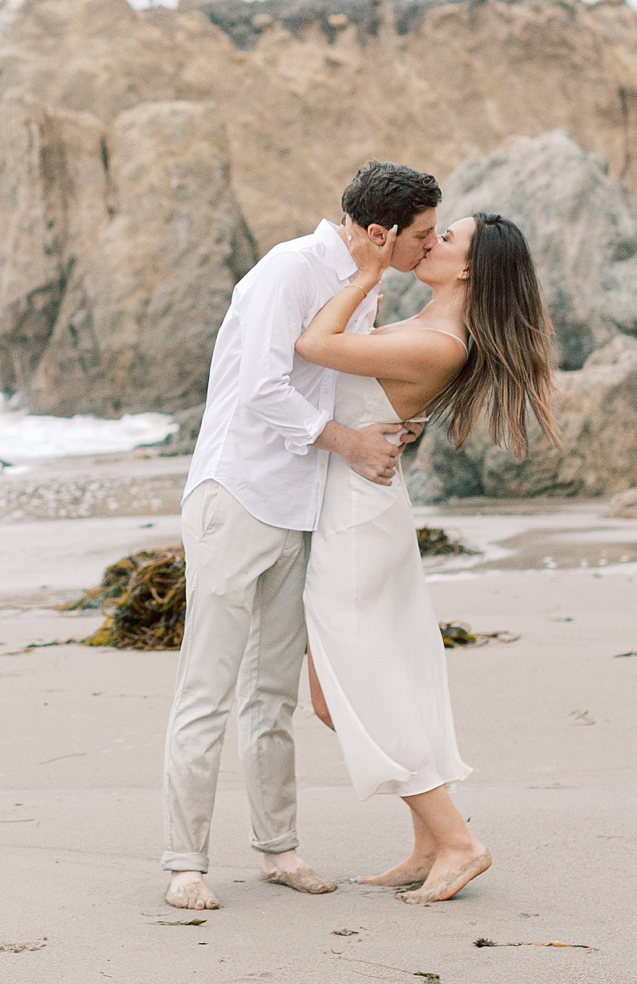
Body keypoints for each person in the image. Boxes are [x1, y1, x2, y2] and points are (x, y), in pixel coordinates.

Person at [161, 161, 444, 912]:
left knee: (272, 692)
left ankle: (277, 848)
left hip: (301, 504)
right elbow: (262, 387)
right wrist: (351, 443)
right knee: (209, 685)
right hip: (237, 493)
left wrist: (386, 425)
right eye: (421, 235)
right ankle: (185, 861)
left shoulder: (367, 281)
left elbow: (335, 380)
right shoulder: (289, 268)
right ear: (380, 233)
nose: (431, 245)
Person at [294, 210, 560, 906]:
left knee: (359, 689)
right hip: (355, 511)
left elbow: (314, 342)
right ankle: (428, 843)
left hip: (358, 523)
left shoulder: (441, 341)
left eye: (448, 239)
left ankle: (461, 841)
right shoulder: (427, 327)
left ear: (468, 267)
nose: (431, 242)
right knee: (335, 693)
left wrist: (367, 272)